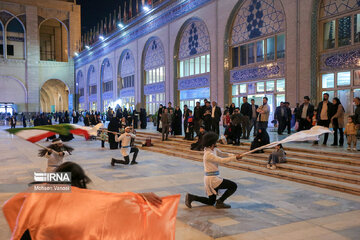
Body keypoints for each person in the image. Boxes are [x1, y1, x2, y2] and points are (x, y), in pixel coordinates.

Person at [185, 132, 242, 209]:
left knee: (211, 201)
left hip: (212, 178)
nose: (216, 142)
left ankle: (191, 197)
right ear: (212, 143)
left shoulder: (213, 149)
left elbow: (223, 154)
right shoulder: (208, 154)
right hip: (212, 179)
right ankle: (220, 201)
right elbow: (221, 160)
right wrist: (235, 158)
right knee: (233, 186)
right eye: (215, 141)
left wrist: (234, 155)